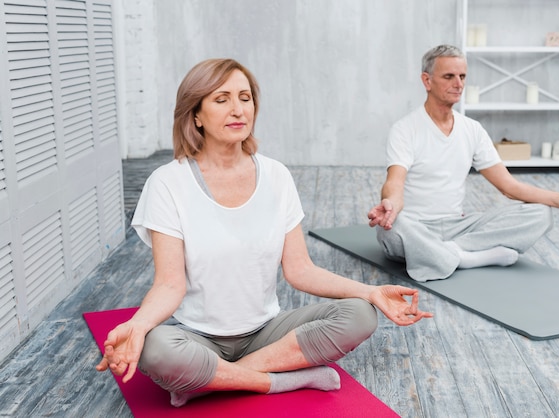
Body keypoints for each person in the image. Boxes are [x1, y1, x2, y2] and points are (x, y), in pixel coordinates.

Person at [96, 58, 433, 408]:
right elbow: (169, 284)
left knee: (361, 314)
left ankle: (212, 381)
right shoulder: (168, 183)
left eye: (245, 97)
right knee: (157, 351)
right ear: (195, 114)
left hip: (267, 333)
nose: (238, 108)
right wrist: (136, 327)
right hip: (198, 337)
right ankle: (281, 381)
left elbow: (300, 270)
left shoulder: (276, 176)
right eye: (221, 99)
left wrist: (373, 292)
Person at [367, 44, 559, 282]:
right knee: (390, 228)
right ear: (427, 81)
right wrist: (390, 204)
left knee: (540, 214)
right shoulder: (405, 129)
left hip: (459, 227)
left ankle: (442, 254)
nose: (459, 84)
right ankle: (468, 258)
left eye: (463, 76)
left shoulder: (472, 129)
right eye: (449, 76)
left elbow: (509, 187)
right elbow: (395, 183)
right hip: (415, 227)